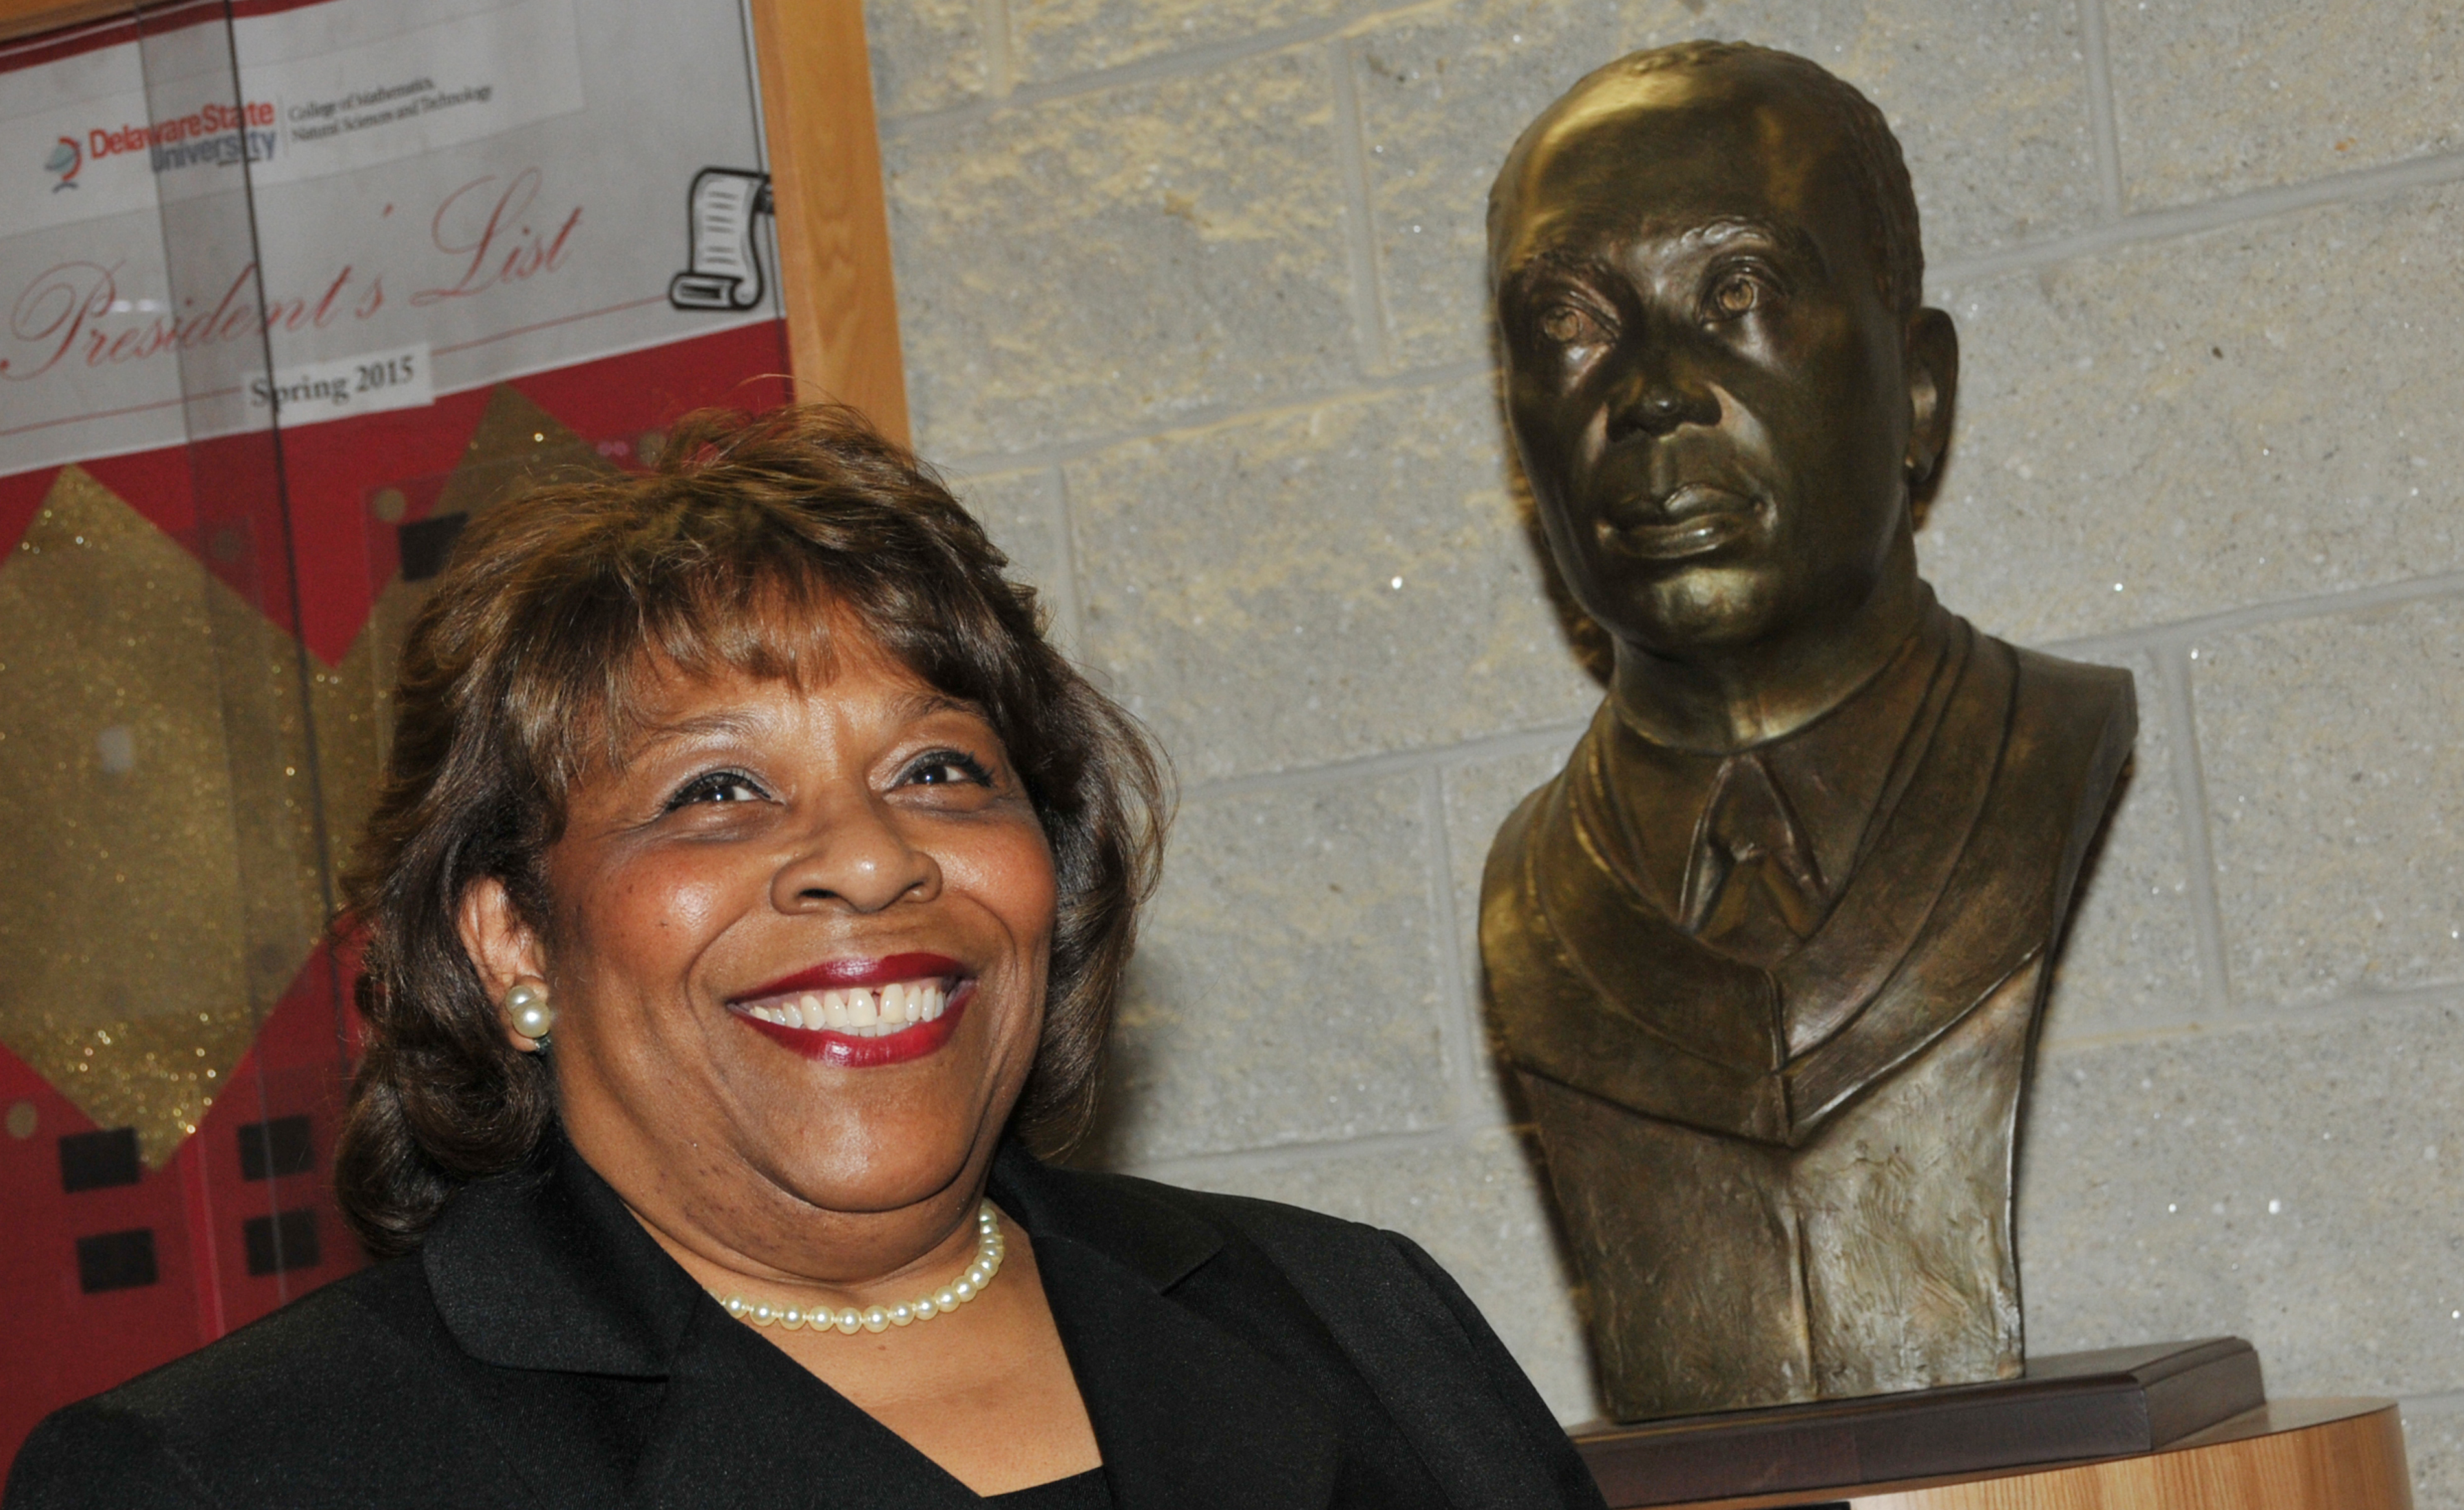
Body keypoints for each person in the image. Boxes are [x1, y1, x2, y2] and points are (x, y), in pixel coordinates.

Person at [6, 405, 1605, 1509]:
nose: (868, 855)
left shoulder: (1348, 1313)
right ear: (514, 942)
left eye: (939, 771)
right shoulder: (229, 1477)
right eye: (715, 791)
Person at [1477, 43, 2136, 1420]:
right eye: (1571, 322)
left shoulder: (2046, 751)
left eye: (1739, 293)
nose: (1651, 390)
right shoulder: (1534, 904)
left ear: (1919, 389)